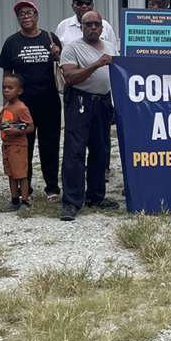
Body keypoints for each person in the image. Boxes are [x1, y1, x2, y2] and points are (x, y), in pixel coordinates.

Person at [0, 1, 63, 201]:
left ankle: (52, 187)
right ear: (18, 19)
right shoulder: (11, 42)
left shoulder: (50, 38)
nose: (26, 16)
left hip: (49, 100)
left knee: (50, 144)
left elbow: (63, 62)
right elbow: (7, 74)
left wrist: (58, 53)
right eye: (21, 14)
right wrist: (7, 103)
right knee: (23, 144)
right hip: (22, 105)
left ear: (37, 15)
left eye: (29, 12)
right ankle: (26, 185)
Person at [59, 11, 119, 221]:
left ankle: (96, 196)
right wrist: (96, 64)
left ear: (102, 28)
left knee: (100, 151)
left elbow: (114, 78)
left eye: (97, 24)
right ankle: (71, 201)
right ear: (82, 27)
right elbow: (70, 77)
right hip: (80, 102)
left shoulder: (110, 47)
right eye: (88, 24)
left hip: (102, 102)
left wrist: (113, 106)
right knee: (75, 152)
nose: (93, 27)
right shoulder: (72, 48)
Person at [0, 74, 35, 213]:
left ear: (19, 91)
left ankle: (25, 200)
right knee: (10, 174)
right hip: (6, 145)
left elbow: (30, 127)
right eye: (4, 87)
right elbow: (0, 121)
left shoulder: (21, 108)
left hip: (18, 146)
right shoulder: (7, 105)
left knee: (21, 174)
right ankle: (14, 199)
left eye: (10, 88)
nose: (6, 91)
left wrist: (15, 131)